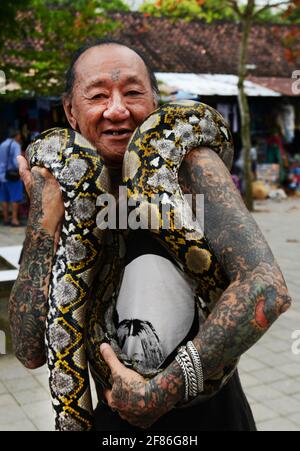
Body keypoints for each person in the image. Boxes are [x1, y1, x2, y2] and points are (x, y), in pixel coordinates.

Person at [9, 40, 291, 431]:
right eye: (98, 96)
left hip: (210, 422)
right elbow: (29, 350)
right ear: (71, 113)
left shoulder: (191, 167)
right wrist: (42, 221)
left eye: (133, 92)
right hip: (112, 424)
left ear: (156, 103)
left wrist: (163, 390)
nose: (117, 109)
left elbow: (267, 289)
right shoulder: (62, 189)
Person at [0, 129, 23, 226]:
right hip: (12, 175)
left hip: (2, 174)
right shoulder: (16, 145)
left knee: (4, 197)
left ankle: (5, 218)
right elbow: (16, 160)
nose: (20, 138)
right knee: (15, 197)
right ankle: (14, 219)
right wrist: (21, 171)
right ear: (16, 136)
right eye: (19, 136)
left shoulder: (2, 144)